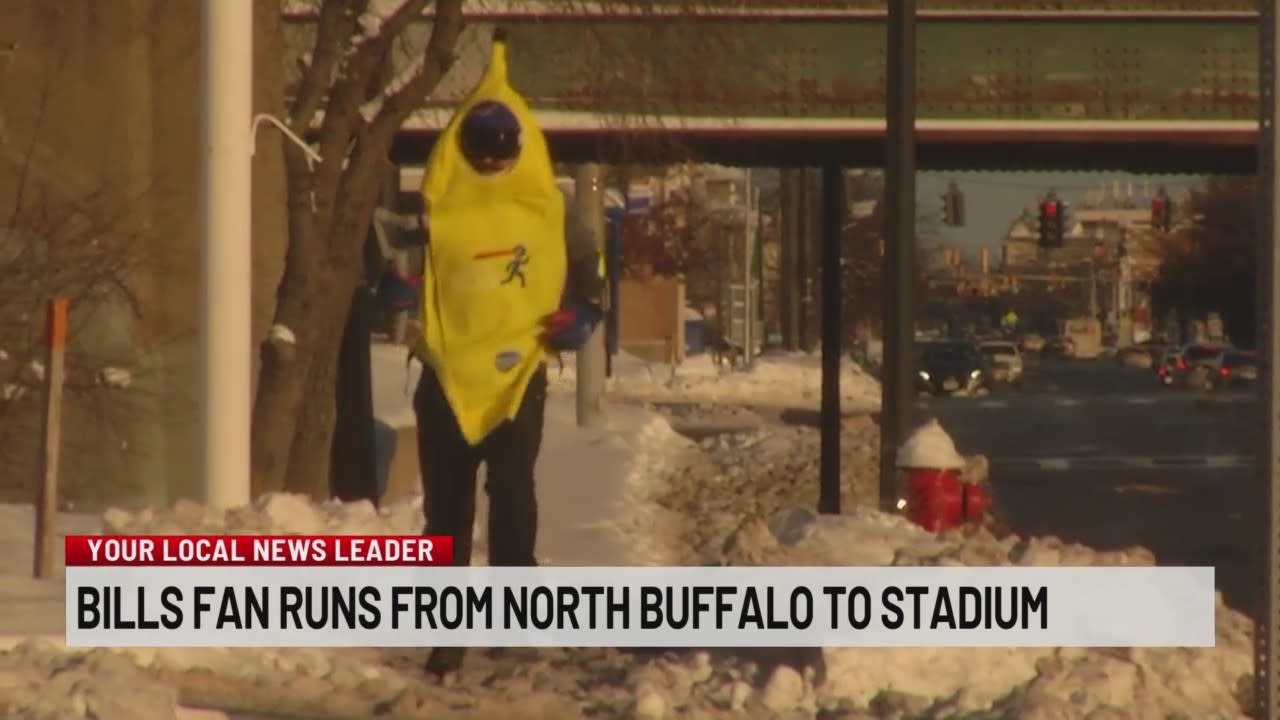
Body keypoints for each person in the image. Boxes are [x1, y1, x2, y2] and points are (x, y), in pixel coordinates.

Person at [411, 97, 604, 679]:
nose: (493, 163)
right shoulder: (436, 206)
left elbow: (586, 263)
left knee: (514, 492)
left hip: (519, 373)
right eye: (482, 152)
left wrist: (584, 310)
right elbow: (393, 256)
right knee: (447, 506)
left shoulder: (548, 207)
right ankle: (445, 634)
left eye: (503, 152)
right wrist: (396, 284)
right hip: (447, 374)